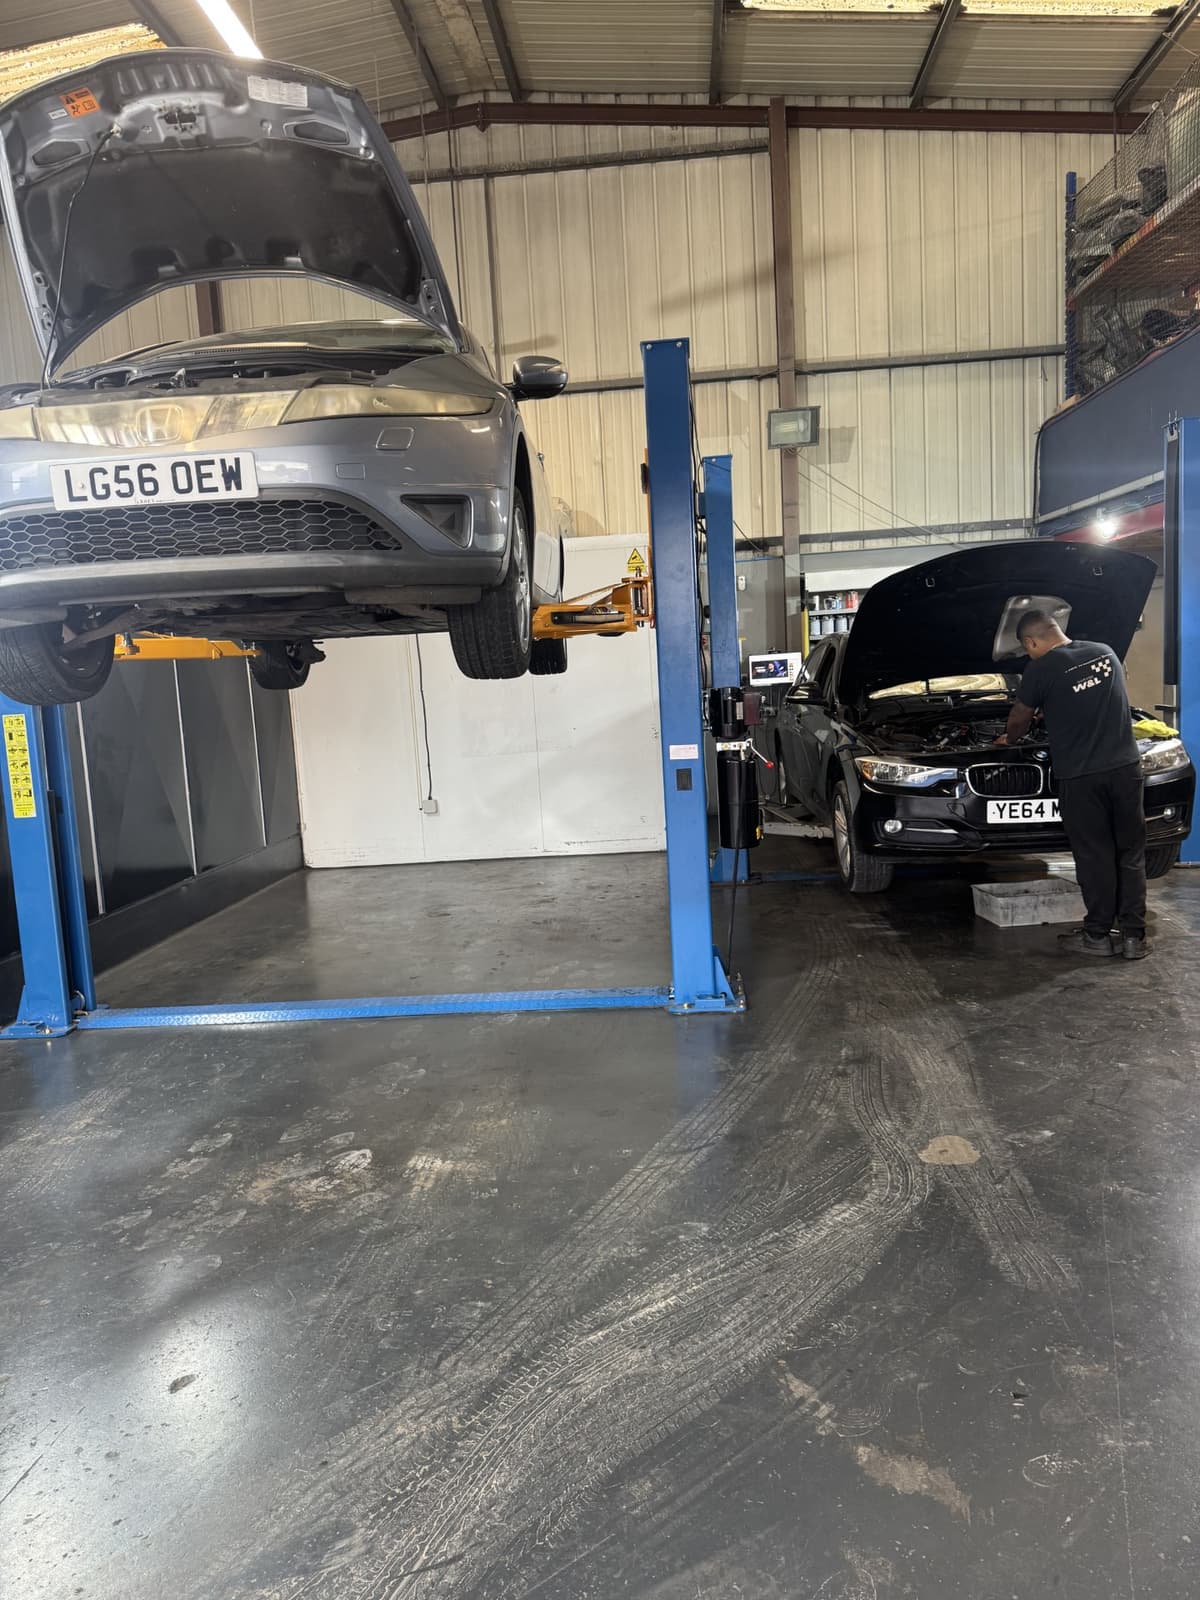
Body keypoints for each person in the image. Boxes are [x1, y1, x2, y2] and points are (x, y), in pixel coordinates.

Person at [997, 609, 1147, 960]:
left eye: (1028, 649)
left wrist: (1012, 740)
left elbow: (1020, 716)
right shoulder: (1105, 652)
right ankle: (1133, 938)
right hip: (1126, 769)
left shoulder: (1041, 668)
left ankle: (1097, 935)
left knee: (1095, 856)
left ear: (1031, 642)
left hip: (1081, 777)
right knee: (1130, 853)